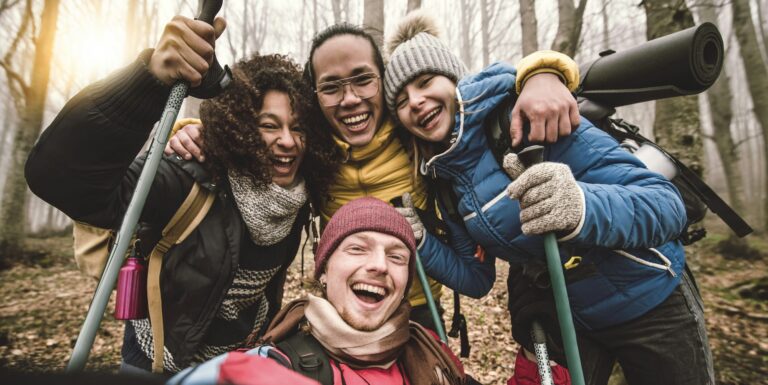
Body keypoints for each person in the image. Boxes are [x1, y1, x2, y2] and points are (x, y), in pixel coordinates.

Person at [167, 21, 581, 332]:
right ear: (314, 96)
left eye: (363, 79)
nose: (350, 99)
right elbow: (252, 142)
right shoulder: (313, 150)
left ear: (385, 81)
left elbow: (471, 96)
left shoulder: (420, 136)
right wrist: (189, 132)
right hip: (344, 310)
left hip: (420, 309)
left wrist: (542, 73)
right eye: (331, 87)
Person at [384, 12, 714, 385]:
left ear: (454, 79)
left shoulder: (522, 118)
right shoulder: (445, 179)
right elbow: (476, 279)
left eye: (426, 81)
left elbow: (664, 204)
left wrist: (581, 206)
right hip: (573, 321)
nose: (416, 100)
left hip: (651, 301)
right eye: (400, 99)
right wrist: (423, 242)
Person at [25, 16, 336, 373]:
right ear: (241, 129)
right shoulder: (191, 176)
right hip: (159, 362)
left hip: (242, 364)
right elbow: (60, 178)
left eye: (297, 128)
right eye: (269, 125)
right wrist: (148, 80)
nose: (287, 140)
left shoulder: (296, 197)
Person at [167, 197, 470, 385]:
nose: (379, 265)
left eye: (396, 257)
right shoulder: (274, 365)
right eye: (357, 248)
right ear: (323, 270)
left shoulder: (433, 353)